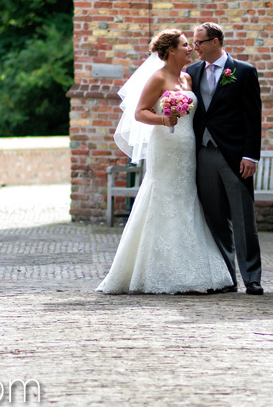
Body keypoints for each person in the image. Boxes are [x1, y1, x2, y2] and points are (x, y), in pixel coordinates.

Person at [97, 29, 234, 294]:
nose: (190, 49)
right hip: (165, 147)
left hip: (187, 149)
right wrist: (163, 119)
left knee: (186, 200)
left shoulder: (187, 78)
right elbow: (139, 112)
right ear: (171, 50)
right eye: (185, 45)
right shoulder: (157, 78)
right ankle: (154, 269)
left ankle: (192, 268)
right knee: (163, 198)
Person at [186, 22, 264, 295]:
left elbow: (253, 118)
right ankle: (226, 277)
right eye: (194, 43)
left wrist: (250, 155)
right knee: (215, 218)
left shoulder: (243, 72)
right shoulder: (191, 73)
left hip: (234, 155)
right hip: (203, 154)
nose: (195, 47)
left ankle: (252, 277)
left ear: (216, 41)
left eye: (199, 42)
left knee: (243, 219)